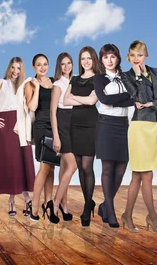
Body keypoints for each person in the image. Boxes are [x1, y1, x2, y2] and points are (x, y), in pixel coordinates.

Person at [121, 40, 157, 233]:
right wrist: (139, 77)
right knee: (147, 174)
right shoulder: (126, 75)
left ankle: (127, 215)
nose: (136, 59)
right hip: (139, 126)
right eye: (133, 55)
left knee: (137, 175)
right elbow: (139, 97)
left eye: (140, 55)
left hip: (155, 126)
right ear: (129, 57)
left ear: (146, 56)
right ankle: (153, 217)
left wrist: (152, 104)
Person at [0, 57, 35, 216]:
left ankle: (25, 197)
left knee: (21, 162)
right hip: (6, 126)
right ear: (9, 68)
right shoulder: (0, 83)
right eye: (13, 67)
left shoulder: (25, 85)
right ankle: (12, 200)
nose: (15, 71)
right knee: (11, 163)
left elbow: (30, 108)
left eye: (19, 68)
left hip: (22, 124)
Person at [58, 46, 100, 226]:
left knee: (86, 166)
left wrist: (78, 98)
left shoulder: (99, 79)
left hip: (91, 125)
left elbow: (93, 101)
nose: (86, 61)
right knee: (80, 168)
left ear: (94, 60)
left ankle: (86, 207)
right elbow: (65, 100)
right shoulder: (74, 79)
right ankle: (88, 201)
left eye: (89, 58)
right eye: (83, 58)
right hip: (74, 125)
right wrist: (83, 99)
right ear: (80, 61)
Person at [93, 44, 134, 228]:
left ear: (118, 58)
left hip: (123, 125)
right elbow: (104, 101)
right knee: (108, 168)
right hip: (106, 124)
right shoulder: (99, 79)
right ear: (101, 60)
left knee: (121, 168)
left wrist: (126, 98)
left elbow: (135, 98)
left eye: (112, 56)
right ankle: (111, 212)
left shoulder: (127, 78)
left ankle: (104, 205)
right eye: (105, 57)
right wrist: (126, 97)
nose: (109, 60)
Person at [25, 54, 55, 222]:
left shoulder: (54, 81)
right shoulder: (30, 84)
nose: (42, 68)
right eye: (39, 65)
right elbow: (32, 107)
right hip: (42, 127)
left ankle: (48, 203)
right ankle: (34, 208)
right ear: (34, 67)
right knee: (44, 168)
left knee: (52, 168)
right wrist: (37, 88)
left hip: (55, 126)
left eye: (45, 64)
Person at [49, 53, 74, 222]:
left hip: (75, 124)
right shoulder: (57, 84)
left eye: (69, 63)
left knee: (65, 168)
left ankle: (64, 206)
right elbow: (53, 111)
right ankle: (55, 204)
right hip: (63, 124)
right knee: (73, 165)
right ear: (59, 66)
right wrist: (56, 137)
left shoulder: (75, 81)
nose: (66, 66)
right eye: (63, 64)